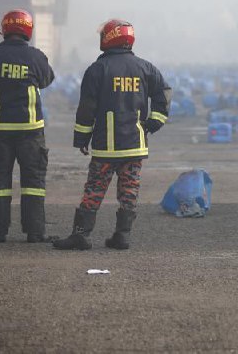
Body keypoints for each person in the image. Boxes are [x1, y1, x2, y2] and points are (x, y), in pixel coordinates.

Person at [54, 19, 171, 251]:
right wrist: (154, 123)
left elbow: (86, 108)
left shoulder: (97, 70)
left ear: (109, 38)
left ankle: (81, 235)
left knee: (95, 188)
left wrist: (81, 139)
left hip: (106, 146)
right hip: (135, 146)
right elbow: (164, 94)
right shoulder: (146, 68)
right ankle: (122, 236)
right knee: (129, 190)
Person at [0, 10, 55, 243]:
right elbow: (46, 80)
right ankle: (35, 233)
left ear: (4, 30)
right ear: (28, 30)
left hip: (0, 132)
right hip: (31, 131)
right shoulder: (36, 56)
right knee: (33, 182)